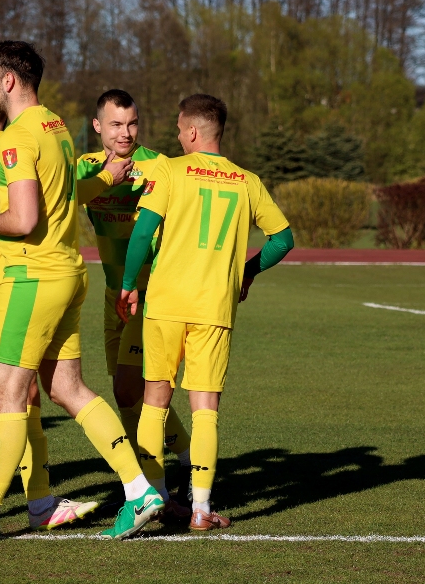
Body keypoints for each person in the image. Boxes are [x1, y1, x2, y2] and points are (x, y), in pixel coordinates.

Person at [0, 41, 163, 543]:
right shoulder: (55, 126)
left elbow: (24, 219)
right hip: (68, 271)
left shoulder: (18, 137)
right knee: (67, 389)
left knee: (6, 390)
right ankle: (140, 490)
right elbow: (55, 200)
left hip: (32, 276)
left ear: (8, 80)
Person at [117, 93, 294, 531]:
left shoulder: (169, 170)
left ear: (193, 131)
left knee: (154, 401)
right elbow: (283, 239)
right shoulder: (247, 181)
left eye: (180, 130)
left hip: (166, 303)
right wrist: (247, 272)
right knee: (205, 409)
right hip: (214, 307)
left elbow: (142, 232)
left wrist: (128, 284)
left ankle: (155, 498)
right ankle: (200, 509)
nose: (178, 137)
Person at [76, 89, 193, 517]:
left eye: (132, 124)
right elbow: (60, 199)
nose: (125, 133)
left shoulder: (158, 165)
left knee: (129, 388)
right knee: (126, 394)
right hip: (113, 293)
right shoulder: (86, 167)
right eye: (115, 125)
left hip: (148, 293)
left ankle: (170, 475)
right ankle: (166, 470)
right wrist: (107, 178)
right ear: (97, 126)